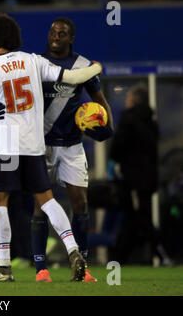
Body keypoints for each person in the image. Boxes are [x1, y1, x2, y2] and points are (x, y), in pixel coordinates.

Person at [0, 13, 103, 282]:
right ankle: (74, 252)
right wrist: (96, 68)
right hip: (33, 143)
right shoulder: (34, 61)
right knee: (47, 199)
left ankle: (4, 268)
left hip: (4, 141)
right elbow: (74, 78)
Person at [27, 17, 114, 283]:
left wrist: (107, 129)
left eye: (62, 33)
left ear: (71, 38)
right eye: (53, 31)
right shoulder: (36, 64)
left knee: (80, 204)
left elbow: (100, 102)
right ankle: (41, 268)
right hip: (41, 146)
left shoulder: (83, 66)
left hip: (72, 145)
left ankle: (82, 266)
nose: (55, 36)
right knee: (40, 206)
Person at [110, 84, 172, 265]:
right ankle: (119, 259)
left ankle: (162, 253)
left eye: (128, 97)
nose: (127, 100)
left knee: (139, 216)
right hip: (149, 177)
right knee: (135, 216)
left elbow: (117, 148)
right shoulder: (151, 121)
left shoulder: (128, 118)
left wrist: (115, 160)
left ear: (134, 100)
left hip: (133, 179)